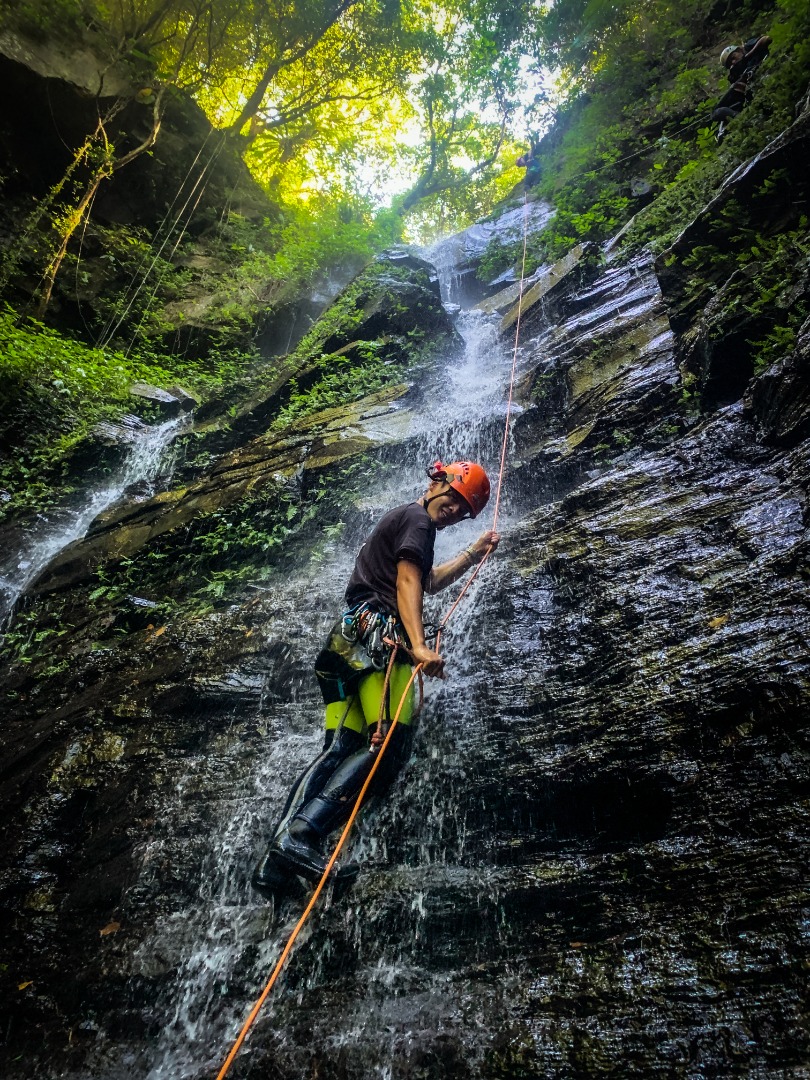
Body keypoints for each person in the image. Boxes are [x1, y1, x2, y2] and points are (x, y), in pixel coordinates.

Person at [252, 459, 500, 893]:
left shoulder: (406, 522)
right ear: (440, 481)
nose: (457, 512)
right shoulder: (418, 521)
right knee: (388, 747)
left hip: (346, 647)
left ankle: (277, 860)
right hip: (379, 643)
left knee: (340, 748)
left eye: (465, 511)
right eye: (458, 499)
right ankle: (303, 835)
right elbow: (407, 583)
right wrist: (419, 646)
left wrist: (472, 553)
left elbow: (427, 581)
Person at [713, 34, 772, 142]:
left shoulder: (748, 47)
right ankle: (737, 119)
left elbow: (766, 39)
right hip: (748, 88)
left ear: (739, 50)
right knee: (717, 112)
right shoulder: (738, 70)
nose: (733, 62)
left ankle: (742, 119)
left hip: (762, 76)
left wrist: (747, 56)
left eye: (733, 58)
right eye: (730, 63)